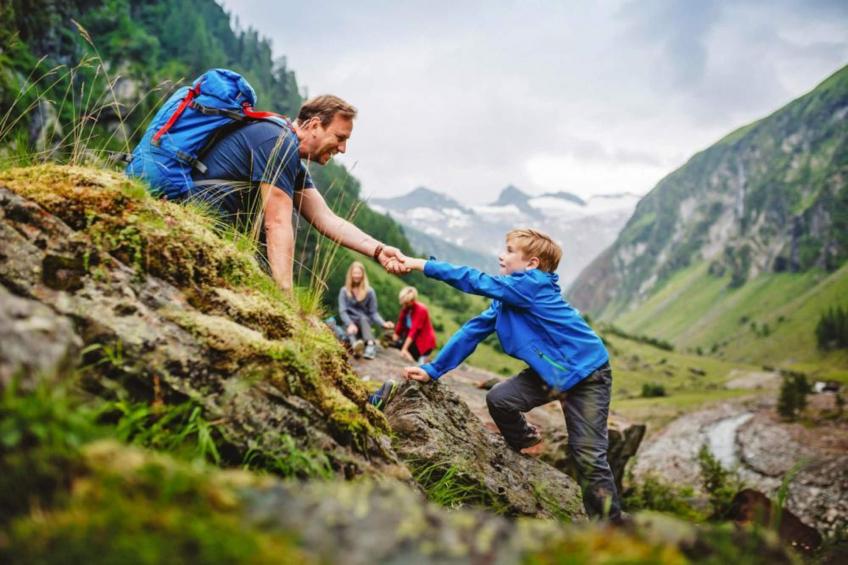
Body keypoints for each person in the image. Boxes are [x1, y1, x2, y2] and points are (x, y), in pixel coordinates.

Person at [398, 228, 621, 522]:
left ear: (532, 264)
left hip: (587, 376)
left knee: (588, 458)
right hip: (549, 372)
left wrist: (419, 264)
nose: (501, 256)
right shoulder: (509, 298)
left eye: (509, 251)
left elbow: (472, 280)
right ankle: (525, 439)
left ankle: (611, 529)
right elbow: (471, 332)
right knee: (500, 399)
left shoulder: (531, 286)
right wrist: (433, 370)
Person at [189, 94, 406, 288]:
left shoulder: (289, 155)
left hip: (218, 228)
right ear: (314, 125)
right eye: (340, 138)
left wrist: (378, 250)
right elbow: (277, 223)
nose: (342, 149)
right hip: (201, 222)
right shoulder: (277, 141)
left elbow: (326, 218)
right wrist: (285, 294)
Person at [338, 261, 393, 359]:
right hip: (350, 324)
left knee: (363, 318)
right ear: (350, 274)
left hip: (364, 325)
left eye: (359, 273)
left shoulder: (370, 292)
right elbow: (343, 311)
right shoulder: (344, 291)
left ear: (363, 275)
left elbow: (373, 313)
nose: (356, 276)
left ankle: (370, 345)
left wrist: (383, 323)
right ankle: (356, 347)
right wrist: (350, 324)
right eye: (354, 273)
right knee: (350, 332)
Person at [392, 286, 436, 363]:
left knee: (416, 361)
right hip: (413, 340)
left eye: (406, 303)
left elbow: (413, 331)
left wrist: (404, 349)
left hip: (423, 342)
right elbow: (400, 325)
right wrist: (395, 337)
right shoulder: (406, 309)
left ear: (412, 300)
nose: (404, 305)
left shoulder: (421, 310)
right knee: (395, 344)